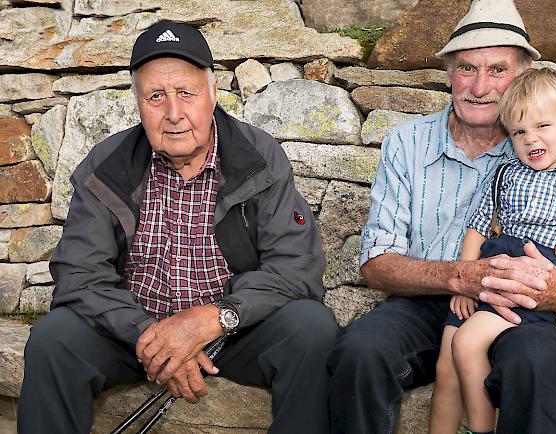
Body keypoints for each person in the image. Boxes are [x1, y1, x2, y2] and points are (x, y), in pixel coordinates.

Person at [18, 20, 337, 434]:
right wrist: (152, 337)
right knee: (52, 340)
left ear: (213, 92)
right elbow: (79, 277)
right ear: (137, 103)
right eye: (156, 96)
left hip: (230, 333)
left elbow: (296, 270)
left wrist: (214, 319)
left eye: (186, 93)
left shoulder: (259, 158)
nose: (173, 113)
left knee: (311, 328)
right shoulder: (106, 166)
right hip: (132, 333)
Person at [327, 1, 556, 433]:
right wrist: (461, 277)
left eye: (498, 69)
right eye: (466, 68)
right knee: (360, 351)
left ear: (522, 76)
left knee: (539, 366)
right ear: (448, 74)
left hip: (513, 312)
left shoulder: (548, 153)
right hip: (421, 306)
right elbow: (377, 263)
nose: (480, 85)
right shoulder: (407, 143)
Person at [429, 68, 556, 434]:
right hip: (487, 272)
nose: (530, 139)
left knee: (466, 342)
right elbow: (479, 225)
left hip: (532, 279)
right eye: (519, 132)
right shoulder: (507, 174)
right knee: (447, 362)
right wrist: (462, 278)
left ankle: (480, 429)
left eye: (543, 126)